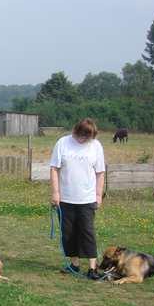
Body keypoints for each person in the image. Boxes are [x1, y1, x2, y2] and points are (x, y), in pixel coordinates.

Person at [50, 118, 106, 280]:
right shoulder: (63, 143)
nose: (83, 140)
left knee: (87, 232)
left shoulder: (96, 146)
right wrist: (55, 192)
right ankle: (74, 264)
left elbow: (100, 172)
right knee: (68, 233)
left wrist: (98, 195)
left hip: (87, 199)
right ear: (75, 131)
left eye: (87, 137)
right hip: (65, 199)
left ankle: (92, 268)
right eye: (81, 136)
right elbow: (54, 168)